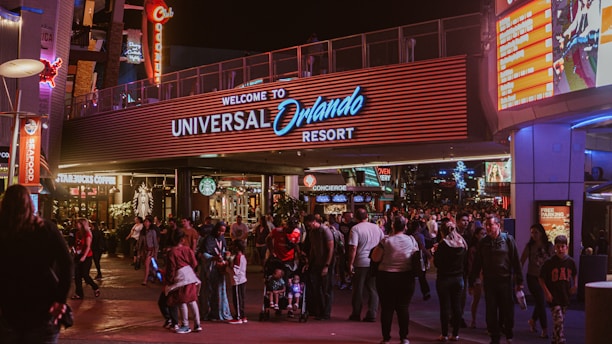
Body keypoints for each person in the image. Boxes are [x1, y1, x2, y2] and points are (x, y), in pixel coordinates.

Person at [0, 184, 73, 343]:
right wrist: (60, 299)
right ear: (30, 204)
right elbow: (66, 263)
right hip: (44, 307)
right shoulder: (46, 229)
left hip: (8, 307)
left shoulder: (4, 231)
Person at [469, 214, 523, 344]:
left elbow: (516, 261)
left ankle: (508, 333)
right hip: (489, 281)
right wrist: (472, 281)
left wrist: (519, 282)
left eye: (490, 225)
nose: (488, 227)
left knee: (507, 309)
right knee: (491, 310)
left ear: (498, 226)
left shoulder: (508, 240)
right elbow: (477, 263)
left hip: (505, 281)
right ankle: (495, 337)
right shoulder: (483, 242)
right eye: (486, 225)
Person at [371, 215, 419, 344]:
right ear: (405, 227)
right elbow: (415, 256)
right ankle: (404, 337)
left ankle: (386, 338)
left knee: (387, 308)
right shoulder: (411, 240)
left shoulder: (386, 241)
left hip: (386, 276)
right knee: (403, 308)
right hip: (406, 277)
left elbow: (375, 258)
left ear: (392, 226)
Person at [347, 208, 385, 322]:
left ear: (356, 217)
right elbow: (383, 243)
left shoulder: (355, 229)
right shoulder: (376, 228)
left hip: (360, 261)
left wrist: (350, 263)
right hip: (374, 262)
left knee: (357, 289)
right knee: (373, 289)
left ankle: (356, 313)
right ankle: (372, 313)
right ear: (367, 216)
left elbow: (353, 247)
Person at [433, 218, 468, 342]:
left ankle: (444, 334)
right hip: (458, 278)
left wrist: (435, 252)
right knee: (457, 306)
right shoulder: (462, 243)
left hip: (444, 278)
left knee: (445, 307)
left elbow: (437, 263)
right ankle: (456, 334)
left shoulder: (443, 245)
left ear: (442, 231)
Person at [539, 235, 577, 344]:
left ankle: (555, 339)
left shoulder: (570, 262)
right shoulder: (549, 263)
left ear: (567, 247)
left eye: (563, 246)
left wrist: (575, 285)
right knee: (559, 319)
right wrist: (547, 292)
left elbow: (574, 274)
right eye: (558, 247)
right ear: (555, 247)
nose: (560, 249)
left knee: (559, 322)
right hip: (554, 296)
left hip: (565, 295)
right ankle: (561, 340)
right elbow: (541, 278)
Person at [164, 229, 202, 334]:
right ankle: (197, 324)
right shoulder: (187, 249)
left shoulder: (172, 252)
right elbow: (194, 263)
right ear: (183, 239)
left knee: (182, 301)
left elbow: (171, 268)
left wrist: (169, 280)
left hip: (180, 277)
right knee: (192, 300)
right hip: (190, 275)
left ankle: (185, 325)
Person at [520, 223, 554, 339]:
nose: (534, 235)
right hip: (533, 277)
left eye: (536, 232)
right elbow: (522, 260)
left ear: (541, 233)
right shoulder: (530, 246)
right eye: (532, 233)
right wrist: (518, 277)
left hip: (545, 278)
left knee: (540, 302)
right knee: (541, 300)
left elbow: (553, 260)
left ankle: (533, 320)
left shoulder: (548, 245)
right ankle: (544, 329)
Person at [197, 221, 232, 321]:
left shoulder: (222, 239)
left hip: (219, 268)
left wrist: (226, 254)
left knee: (219, 290)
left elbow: (223, 250)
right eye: (219, 231)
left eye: (223, 232)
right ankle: (207, 312)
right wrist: (213, 258)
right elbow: (203, 254)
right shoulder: (208, 239)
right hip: (209, 268)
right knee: (208, 290)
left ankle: (219, 312)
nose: (220, 233)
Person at [304, 214, 335, 320]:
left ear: (313, 222)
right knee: (317, 288)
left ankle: (326, 312)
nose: (308, 227)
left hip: (326, 263)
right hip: (316, 263)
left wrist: (327, 265)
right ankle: (319, 310)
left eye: (309, 225)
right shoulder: (312, 232)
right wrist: (309, 262)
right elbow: (313, 248)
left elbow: (331, 248)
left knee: (326, 288)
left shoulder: (325, 231)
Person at [72, 218, 101, 299]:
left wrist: (84, 256)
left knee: (85, 275)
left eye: (78, 223)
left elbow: (88, 246)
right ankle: (79, 294)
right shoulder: (77, 233)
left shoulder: (88, 234)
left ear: (82, 224)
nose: (76, 225)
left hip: (87, 256)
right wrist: (75, 251)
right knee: (77, 276)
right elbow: (77, 244)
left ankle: (95, 287)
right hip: (78, 255)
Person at [406, 219, 431, 301]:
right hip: (420, 258)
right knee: (422, 276)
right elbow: (422, 247)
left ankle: (408, 294)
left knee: (411, 277)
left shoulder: (409, 235)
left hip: (411, 257)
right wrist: (429, 255)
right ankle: (426, 292)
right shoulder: (419, 236)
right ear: (418, 227)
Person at [467, 224, 486, 328]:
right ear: (476, 235)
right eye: (482, 234)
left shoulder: (486, 246)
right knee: (476, 298)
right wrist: (471, 279)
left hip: (485, 274)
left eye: (485, 234)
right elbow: (471, 265)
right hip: (478, 275)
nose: (484, 236)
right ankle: (473, 319)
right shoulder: (473, 249)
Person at [227, 240, 248, 324]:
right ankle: (242, 316)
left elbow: (235, 270)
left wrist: (227, 267)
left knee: (237, 299)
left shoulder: (238, 257)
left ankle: (238, 317)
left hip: (237, 281)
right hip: (241, 280)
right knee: (241, 299)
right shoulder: (242, 256)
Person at [138, 215, 159, 286]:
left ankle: (145, 280)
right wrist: (139, 251)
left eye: (147, 222)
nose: (145, 223)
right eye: (145, 222)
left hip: (150, 250)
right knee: (147, 265)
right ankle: (153, 275)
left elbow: (155, 243)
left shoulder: (152, 231)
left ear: (150, 223)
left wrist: (155, 253)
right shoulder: (142, 231)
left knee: (147, 264)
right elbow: (140, 242)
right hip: (144, 250)